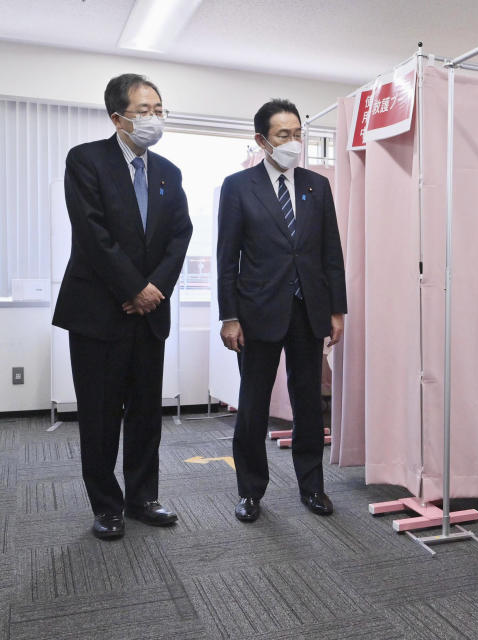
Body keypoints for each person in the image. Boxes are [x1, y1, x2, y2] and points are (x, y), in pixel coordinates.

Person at [53, 73, 192, 539]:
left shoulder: (169, 172)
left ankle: (142, 497)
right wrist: (134, 288)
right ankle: (106, 505)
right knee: (99, 414)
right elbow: (93, 234)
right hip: (98, 312)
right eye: (143, 110)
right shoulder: (86, 160)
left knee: (145, 412)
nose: (154, 118)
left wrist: (155, 289)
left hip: (149, 314)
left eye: (159, 109)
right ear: (117, 117)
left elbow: (180, 236)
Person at [217, 99, 346, 523]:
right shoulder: (238, 186)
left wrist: (336, 310)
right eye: (283, 135)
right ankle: (250, 492)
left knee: (308, 402)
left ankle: (312, 487)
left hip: (308, 309)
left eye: (297, 134)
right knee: (253, 405)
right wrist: (229, 315)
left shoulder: (316, 185)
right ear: (261, 140)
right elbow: (227, 256)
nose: (293, 143)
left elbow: (331, 253)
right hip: (256, 312)